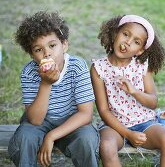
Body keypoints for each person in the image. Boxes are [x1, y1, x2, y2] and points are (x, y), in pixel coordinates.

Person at [8, 11, 99, 167]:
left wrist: (51, 136)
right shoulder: (29, 72)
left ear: (64, 45)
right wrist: (45, 83)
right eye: (38, 49)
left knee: (87, 139)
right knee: (24, 138)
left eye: (52, 45)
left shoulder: (77, 67)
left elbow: (86, 114)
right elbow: (35, 120)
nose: (47, 53)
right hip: (40, 123)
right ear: (32, 55)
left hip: (73, 121)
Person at [91, 14, 165, 167]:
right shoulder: (99, 68)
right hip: (114, 126)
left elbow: (153, 102)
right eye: (125, 34)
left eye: (136, 42)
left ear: (139, 50)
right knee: (106, 146)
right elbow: (104, 110)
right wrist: (128, 134)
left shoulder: (142, 66)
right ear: (115, 34)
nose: (127, 42)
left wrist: (134, 91)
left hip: (144, 123)